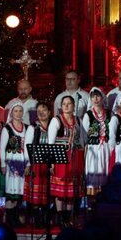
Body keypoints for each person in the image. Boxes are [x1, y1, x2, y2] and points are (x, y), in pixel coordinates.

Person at [48, 95, 86, 227]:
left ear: (74, 106)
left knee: (71, 192)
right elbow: (51, 143)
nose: (66, 106)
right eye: (64, 104)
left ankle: (68, 219)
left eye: (69, 103)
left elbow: (82, 140)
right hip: (61, 158)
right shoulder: (56, 120)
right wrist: (51, 162)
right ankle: (60, 218)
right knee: (61, 191)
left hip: (75, 158)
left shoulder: (78, 120)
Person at [0, 104, 29, 227]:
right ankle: (9, 219)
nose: (18, 113)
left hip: (22, 161)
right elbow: (2, 147)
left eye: (20, 111)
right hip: (11, 161)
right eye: (16, 111)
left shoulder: (26, 127)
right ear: (11, 113)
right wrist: (3, 164)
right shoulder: (7, 128)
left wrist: (28, 163)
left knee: (19, 192)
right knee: (10, 193)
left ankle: (16, 218)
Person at [82, 87, 111, 193]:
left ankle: (104, 195)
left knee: (105, 169)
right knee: (93, 170)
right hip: (93, 149)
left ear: (102, 97)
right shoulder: (88, 115)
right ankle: (92, 197)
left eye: (98, 96)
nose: (95, 99)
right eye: (93, 97)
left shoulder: (109, 114)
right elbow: (84, 135)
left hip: (106, 147)